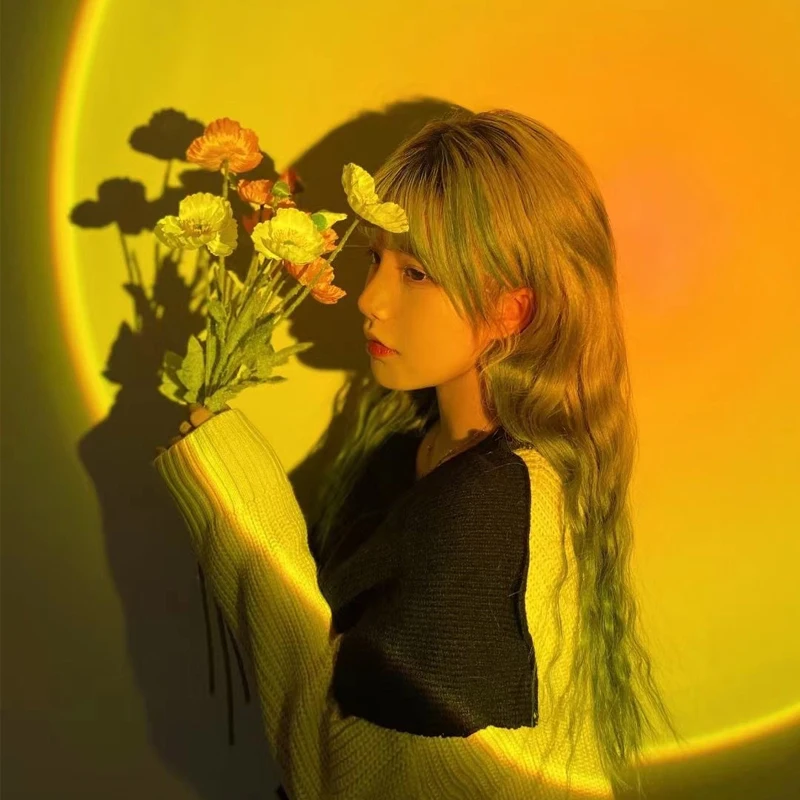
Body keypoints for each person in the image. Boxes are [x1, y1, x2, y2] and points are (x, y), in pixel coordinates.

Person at [153, 107, 682, 799]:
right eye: (374, 259)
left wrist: (234, 497)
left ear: (511, 311)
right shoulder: (402, 458)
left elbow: (341, 776)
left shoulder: (492, 510)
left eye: (417, 273)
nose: (369, 299)